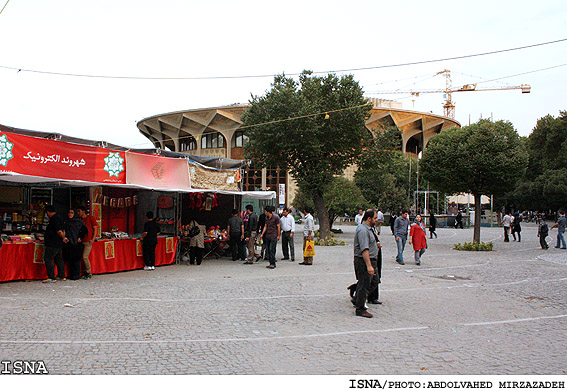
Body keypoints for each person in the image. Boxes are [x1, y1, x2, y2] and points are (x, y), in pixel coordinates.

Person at [352, 210, 378, 318]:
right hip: (363, 261)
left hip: (372, 260)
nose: (377, 220)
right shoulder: (363, 230)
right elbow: (364, 249)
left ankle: (357, 298)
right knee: (364, 285)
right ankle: (360, 309)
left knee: (374, 281)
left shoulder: (369, 229)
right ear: (369, 219)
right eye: (375, 218)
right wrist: (368, 265)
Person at [42, 205, 69, 283]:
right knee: (58, 259)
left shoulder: (55, 219)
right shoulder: (59, 217)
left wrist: (63, 237)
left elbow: (59, 231)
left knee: (48, 258)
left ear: (48, 212)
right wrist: (63, 237)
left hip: (53, 242)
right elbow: (62, 229)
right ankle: (62, 276)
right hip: (58, 243)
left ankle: (51, 277)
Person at [63, 209, 87, 280]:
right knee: (70, 260)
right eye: (69, 213)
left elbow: (85, 230)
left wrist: (80, 237)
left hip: (77, 243)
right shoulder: (66, 222)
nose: (70, 214)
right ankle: (71, 274)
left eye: (72, 213)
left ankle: (76, 275)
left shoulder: (79, 222)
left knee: (76, 260)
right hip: (69, 243)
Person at [76, 205, 98, 279]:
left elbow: (95, 229)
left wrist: (93, 239)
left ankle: (89, 272)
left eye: (79, 211)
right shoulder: (79, 220)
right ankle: (84, 272)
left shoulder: (91, 218)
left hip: (88, 241)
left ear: (83, 211)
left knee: (85, 257)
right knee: (81, 257)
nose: (78, 213)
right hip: (81, 241)